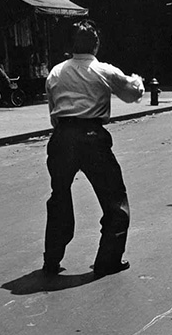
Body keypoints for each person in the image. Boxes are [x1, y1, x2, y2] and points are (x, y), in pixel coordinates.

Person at [42, 19, 144, 277]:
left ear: (71, 45)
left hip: (62, 137)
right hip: (92, 136)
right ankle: (107, 260)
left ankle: (52, 259)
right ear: (96, 44)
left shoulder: (55, 72)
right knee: (114, 201)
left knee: (59, 198)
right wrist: (138, 81)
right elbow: (133, 93)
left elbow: (53, 113)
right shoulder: (103, 70)